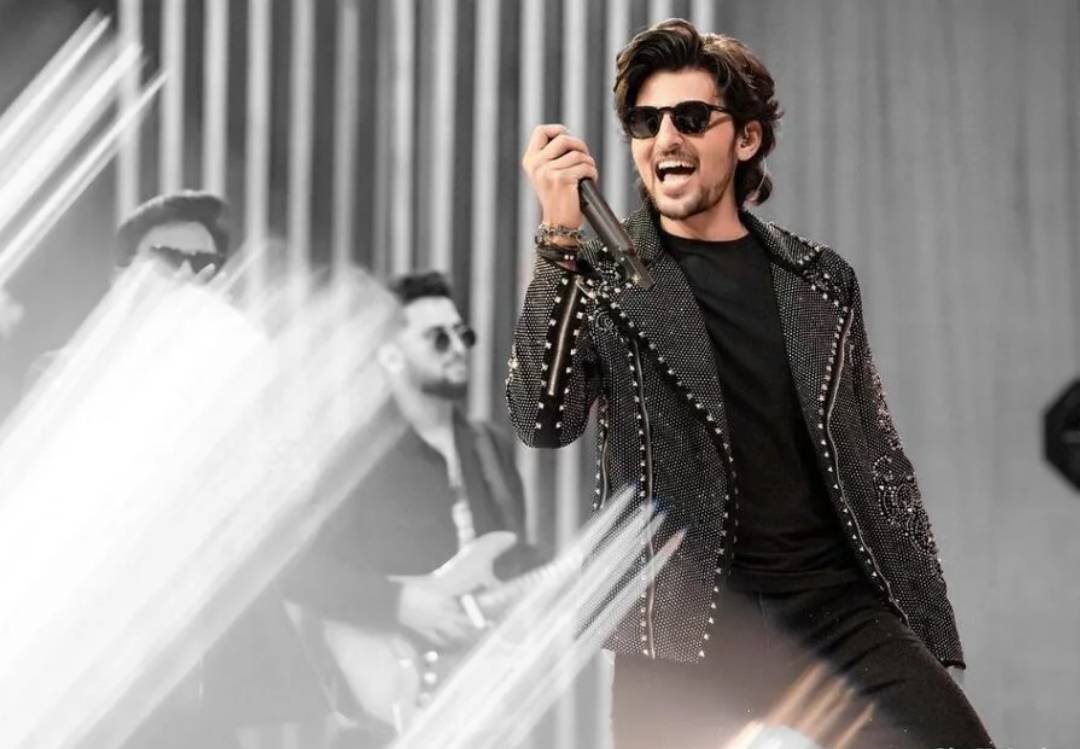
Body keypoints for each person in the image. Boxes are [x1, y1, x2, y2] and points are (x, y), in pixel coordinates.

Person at [509, 18, 993, 749]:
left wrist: (928, 635)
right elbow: (542, 419)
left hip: (833, 609)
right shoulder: (604, 277)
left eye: (690, 117)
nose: (664, 138)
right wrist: (558, 238)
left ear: (746, 139)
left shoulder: (819, 281)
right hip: (682, 624)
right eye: (645, 121)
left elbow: (879, 461)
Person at [281, 270, 540, 746]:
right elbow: (296, 570)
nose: (457, 347)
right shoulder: (352, 458)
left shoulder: (491, 449)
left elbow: (509, 565)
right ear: (391, 355)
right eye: (437, 338)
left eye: (461, 334)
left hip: (476, 703)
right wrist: (397, 603)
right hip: (384, 712)